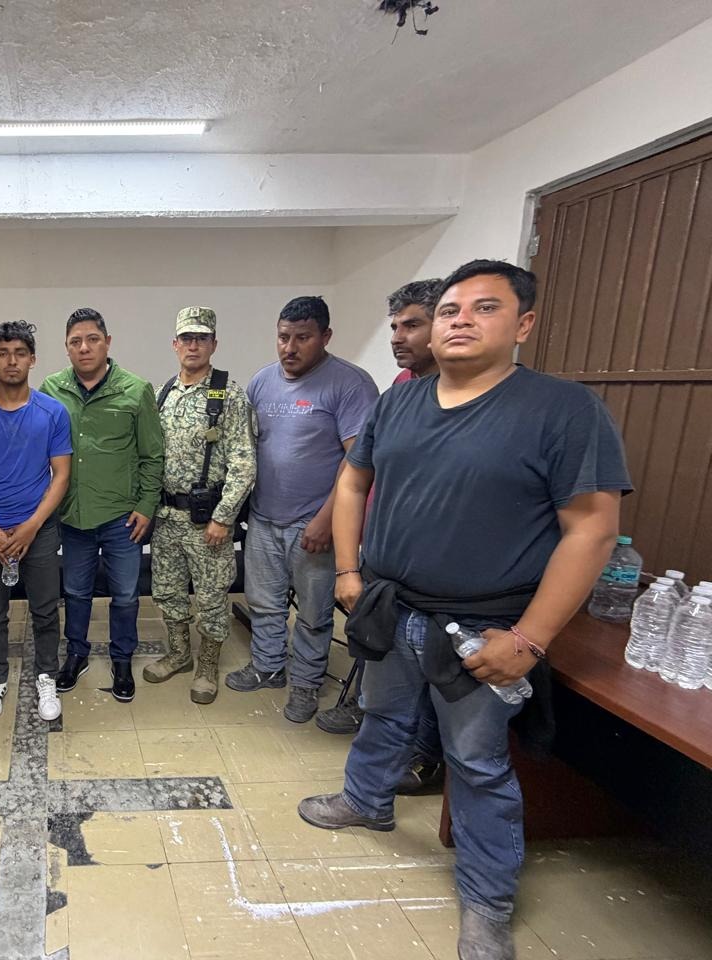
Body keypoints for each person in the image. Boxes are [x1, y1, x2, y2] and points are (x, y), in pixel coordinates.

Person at [297, 260, 630, 960]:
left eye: (485, 308)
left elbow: (592, 531)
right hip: (391, 606)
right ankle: (366, 800)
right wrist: (350, 572)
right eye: (450, 310)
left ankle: (486, 901)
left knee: (476, 763)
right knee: (384, 714)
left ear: (524, 324)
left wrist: (530, 639)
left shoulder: (563, 410)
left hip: (484, 625)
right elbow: (353, 483)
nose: (460, 321)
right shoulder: (400, 402)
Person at [228, 296, 378, 724]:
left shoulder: (350, 384)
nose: (289, 348)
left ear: (325, 336)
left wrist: (327, 519)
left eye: (302, 338)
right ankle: (268, 666)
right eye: (283, 337)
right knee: (264, 602)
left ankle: (306, 684)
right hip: (263, 518)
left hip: (314, 524)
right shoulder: (262, 382)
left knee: (313, 614)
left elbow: (359, 462)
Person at [315, 278, 442, 741]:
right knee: (378, 641)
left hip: (442, 570)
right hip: (382, 548)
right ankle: (367, 708)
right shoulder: (400, 390)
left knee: (436, 670)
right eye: (394, 327)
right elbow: (358, 476)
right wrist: (350, 565)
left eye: (412, 326)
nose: (397, 337)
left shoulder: (485, 403)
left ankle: (425, 747)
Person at [39, 308, 165, 703]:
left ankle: (122, 659)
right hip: (73, 515)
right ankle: (76, 653)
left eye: (92, 339)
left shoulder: (136, 389)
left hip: (122, 517)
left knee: (125, 594)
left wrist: (146, 505)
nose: (84, 347)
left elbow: (152, 455)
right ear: (66, 347)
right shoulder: (51, 388)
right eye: (75, 341)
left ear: (107, 342)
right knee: (75, 592)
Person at [0, 321, 73, 723]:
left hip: (38, 531)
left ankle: (46, 676)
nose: (12, 361)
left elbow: (61, 474)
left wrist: (31, 526)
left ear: (33, 359)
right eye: (3, 354)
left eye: (20, 353)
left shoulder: (52, 412)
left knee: (45, 610)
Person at [144, 307, 256, 703]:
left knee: (211, 596)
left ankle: (207, 665)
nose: (193, 345)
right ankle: (179, 654)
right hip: (167, 518)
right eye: (187, 338)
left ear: (214, 344)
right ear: (175, 344)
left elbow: (244, 463)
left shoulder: (229, 394)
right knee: (168, 590)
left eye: (202, 338)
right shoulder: (164, 394)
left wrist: (224, 518)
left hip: (207, 520)